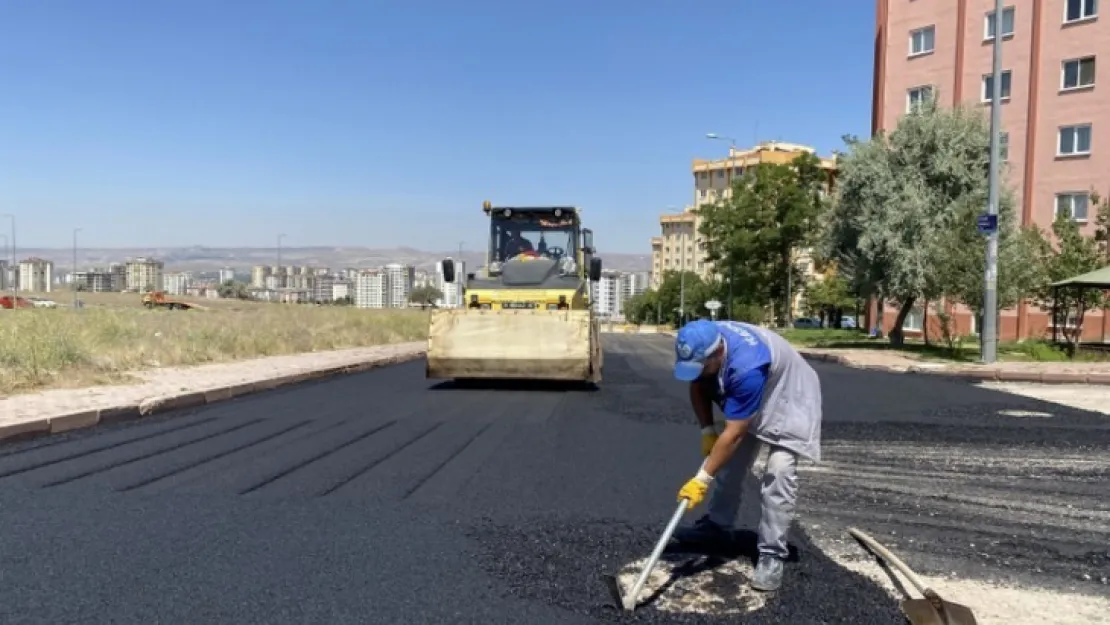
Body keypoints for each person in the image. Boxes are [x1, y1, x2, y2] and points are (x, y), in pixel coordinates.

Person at [670, 319, 822, 592]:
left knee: (779, 472)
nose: (698, 372)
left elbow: (736, 433)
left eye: (702, 366)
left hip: (789, 397)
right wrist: (707, 430)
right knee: (728, 466)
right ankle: (717, 526)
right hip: (754, 392)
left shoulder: (747, 367)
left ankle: (772, 553)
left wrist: (701, 479)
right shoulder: (702, 340)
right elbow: (698, 385)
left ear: (718, 354)